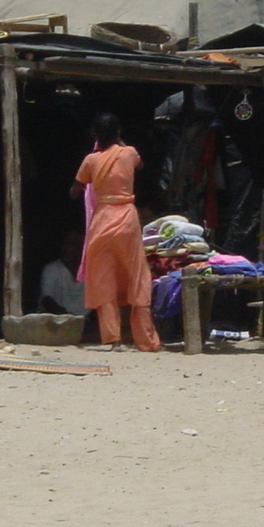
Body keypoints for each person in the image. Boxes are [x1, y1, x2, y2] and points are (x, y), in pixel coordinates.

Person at [71, 113, 161, 351]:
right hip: (127, 219)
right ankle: (146, 339)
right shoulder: (129, 153)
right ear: (118, 132)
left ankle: (114, 340)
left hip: (102, 220)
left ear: (95, 135)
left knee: (104, 277)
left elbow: (75, 190)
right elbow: (140, 165)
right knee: (136, 276)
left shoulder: (90, 160)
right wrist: (119, 141)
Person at [38, 230, 86, 316]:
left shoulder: (90, 272)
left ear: (82, 248)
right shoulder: (52, 269)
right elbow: (47, 300)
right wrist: (66, 318)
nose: (66, 248)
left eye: (71, 244)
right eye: (64, 244)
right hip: (56, 322)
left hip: (84, 323)